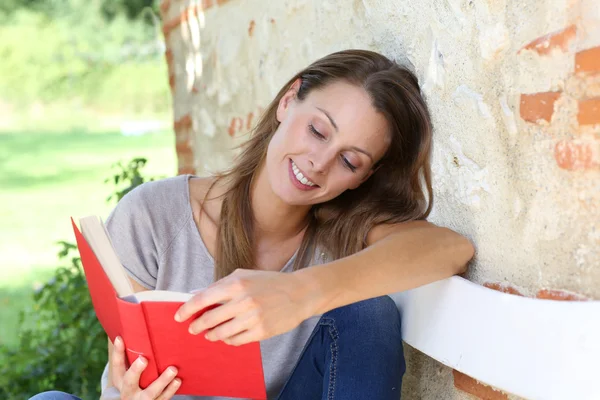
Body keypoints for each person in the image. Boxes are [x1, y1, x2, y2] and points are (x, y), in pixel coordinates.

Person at [30, 49, 474, 400]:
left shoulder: (343, 234)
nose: (318, 163)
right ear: (287, 101)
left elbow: (450, 249)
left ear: (364, 177)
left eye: (349, 160)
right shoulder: (152, 217)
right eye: (318, 131)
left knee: (368, 313)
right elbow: (126, 373)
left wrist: (300, 293)